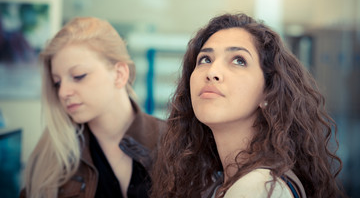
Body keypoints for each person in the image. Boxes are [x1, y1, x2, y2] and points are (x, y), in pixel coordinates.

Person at [150, 13, 346, 198]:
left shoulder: (258, 187)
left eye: (239, 61)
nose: (212, 71)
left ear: (268, 92)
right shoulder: (225, 183)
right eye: (205, 59)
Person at [20, 17, 164, 198]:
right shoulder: (51, 157)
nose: (63, 92)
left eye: (78, 76)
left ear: (119, 74)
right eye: (57, 83)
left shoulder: (173, 141)